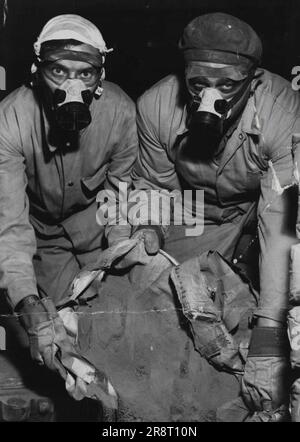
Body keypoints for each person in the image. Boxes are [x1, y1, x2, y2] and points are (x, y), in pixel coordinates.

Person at [129, 12, 300, 420]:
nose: (211, 95)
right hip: (194, 211)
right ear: (183, 74)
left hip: (260, 211)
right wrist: (150, 227)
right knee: (149, 297)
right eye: (198, 83)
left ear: (253, 81)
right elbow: (154, 184)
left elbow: (280, 223)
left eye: (228, 85)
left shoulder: (280, 108)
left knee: (279, 326)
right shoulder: (156, 104)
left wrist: (267, 336)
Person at [0, 14, 137, 371]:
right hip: (43, 238)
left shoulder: (120, 112)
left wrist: (119, 256)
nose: (72, 85)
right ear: (36, 71)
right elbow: (10, 224)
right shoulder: (11, 119)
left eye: (85, 74)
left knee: (127, 321)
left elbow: (119, 199)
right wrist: (25, 299)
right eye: (58, 72)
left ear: (100, 77)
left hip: (97, 231)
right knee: (66, 334)